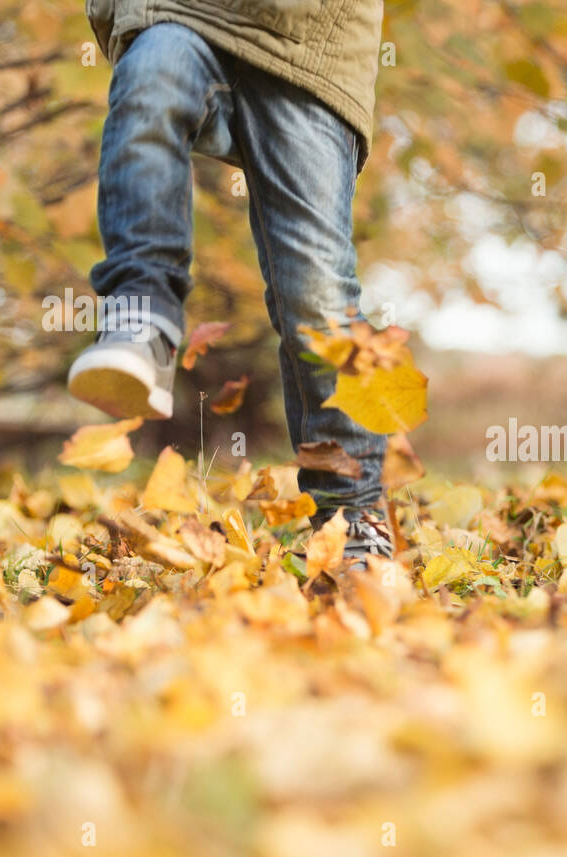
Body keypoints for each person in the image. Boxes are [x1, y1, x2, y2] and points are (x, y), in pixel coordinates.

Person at [68, 1, 393, 558]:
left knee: (315, 296)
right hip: (180, 11)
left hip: (311, 47)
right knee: (150, 82)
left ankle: (353, 518)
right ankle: (141, 318)